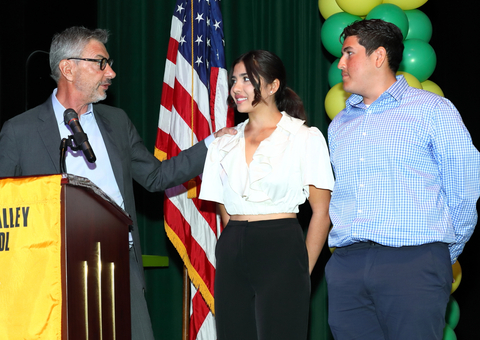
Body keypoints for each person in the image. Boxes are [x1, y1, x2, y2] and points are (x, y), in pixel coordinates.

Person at [0, 26, 234, 340]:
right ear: (68, 68)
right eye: (100, 63)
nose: (110, 71)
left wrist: (211, 145)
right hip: (50, 273)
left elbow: (156, 176)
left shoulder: (117, 121)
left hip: (118, 265)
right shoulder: (19, 131)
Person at [326, 19, 480, 340]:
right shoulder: (339, 124)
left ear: (378, 56)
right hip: (347, 266)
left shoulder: (433, 110)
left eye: (349, 53)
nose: (340, 63)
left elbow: (464, 190)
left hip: (413, 263)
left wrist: (441, 254)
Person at [199, 50, 334, 340]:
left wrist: (302, 269)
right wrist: (232, 244)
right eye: (234, 80)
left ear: (273, 86)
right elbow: (224, 207)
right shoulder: (223, 143)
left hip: (282, 245)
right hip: (233, 244)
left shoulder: (304, 137)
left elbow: (322, 212)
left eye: (248, 79)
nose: (237, 88)